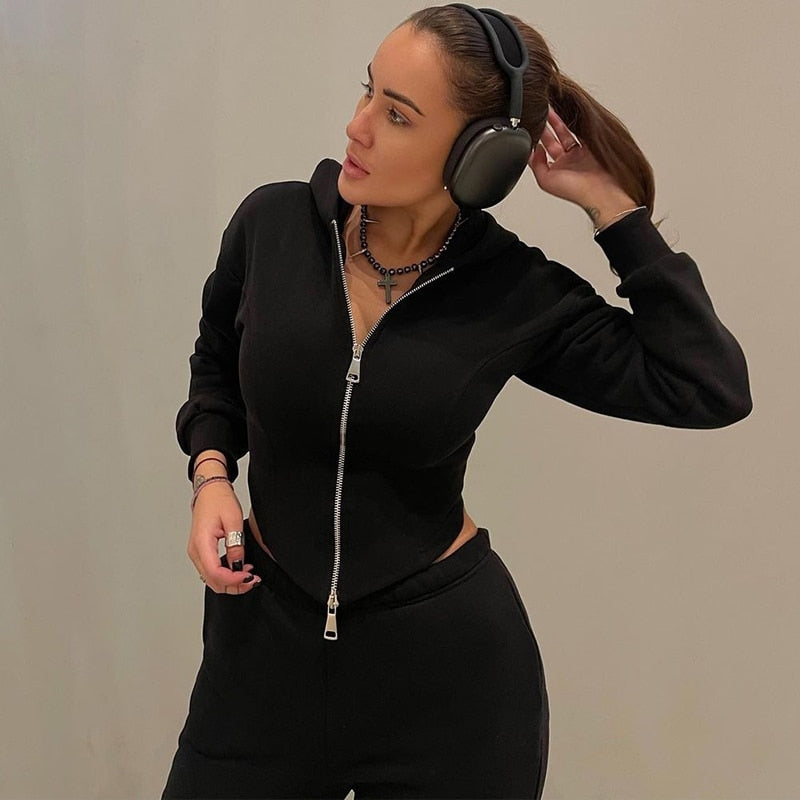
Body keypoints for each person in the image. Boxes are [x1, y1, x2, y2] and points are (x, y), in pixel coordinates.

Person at [161, 4, 751, 799]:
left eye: (397, 115)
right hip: (259, 660)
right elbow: (216, 363)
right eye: (368, 91)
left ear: (482, 157)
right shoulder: (274, 225)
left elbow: (707, 386)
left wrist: (610, 208)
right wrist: (210, 475)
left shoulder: (513, 293)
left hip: (445, 685)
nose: (357, 126)